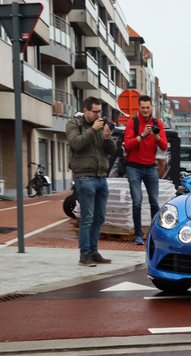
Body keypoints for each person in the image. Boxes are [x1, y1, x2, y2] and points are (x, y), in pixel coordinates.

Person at [66, 97, 116, 267]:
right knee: (87, 217)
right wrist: (93, 130)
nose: (97, 115)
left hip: (101, 177)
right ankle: (84, 254)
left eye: (99, 112)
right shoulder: (74, 124)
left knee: (99, 217)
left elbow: (112, 151)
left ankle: (94, 252)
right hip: (84, 177)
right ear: (86, 110)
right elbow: (75, 143)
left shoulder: (101, 126)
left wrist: (108, 138)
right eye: (94, 112)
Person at [124, 95, 168, 245]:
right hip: (134, 167)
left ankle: (154, 236)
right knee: (137, 202)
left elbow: (164, 146)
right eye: (142, 108)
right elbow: (127, 145)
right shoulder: (132, 123)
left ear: (151, 107)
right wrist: (142, 135)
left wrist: (155, 136)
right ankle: (138, 235)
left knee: (154, 202)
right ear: (139, 108)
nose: (145, 110)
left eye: (147, 107)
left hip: (150, 167)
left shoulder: (158, 124)